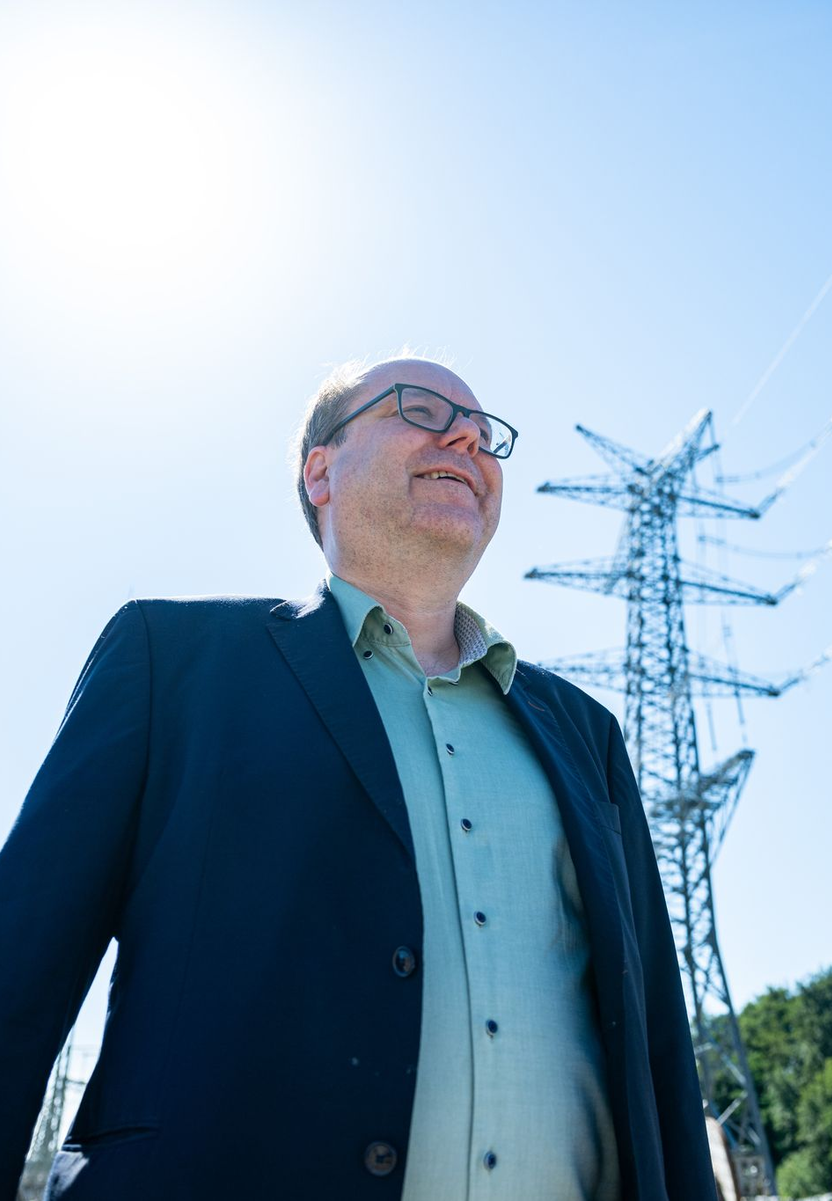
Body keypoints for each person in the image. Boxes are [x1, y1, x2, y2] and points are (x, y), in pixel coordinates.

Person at [0, 356, 718, 1201]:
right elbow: (17, 979)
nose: (466, 438)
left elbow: (659, 1051)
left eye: (487, 437)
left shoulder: (587, 734)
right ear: (320, 470)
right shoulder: (171, 664)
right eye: (421, 409)